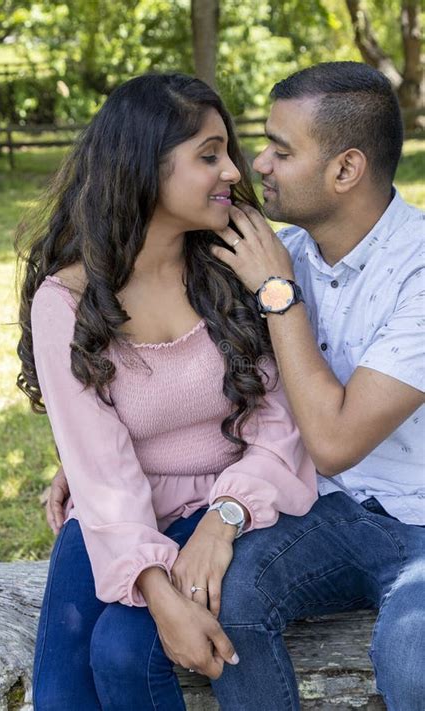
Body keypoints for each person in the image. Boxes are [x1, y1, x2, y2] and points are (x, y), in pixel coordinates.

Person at [16, 72, 317, 710]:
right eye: (209, 155)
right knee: (63, 695)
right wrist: (157, 590)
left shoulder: (238, 266)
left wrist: (222, 517)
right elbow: (101, 472)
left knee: (123, 652)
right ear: (143, 167)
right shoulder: (66, 303)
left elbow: (279, 425)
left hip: (237, 507)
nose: (234, 171)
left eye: (227, 151)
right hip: (118, 513)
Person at [205, 62, 424, 710]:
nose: (257, 167)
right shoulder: (282, 250)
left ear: (345, 169)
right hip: (319, 509)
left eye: (281, 149)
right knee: (229, 595)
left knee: (413, 655)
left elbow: (334, 439)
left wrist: (279, 297)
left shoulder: (417, 269)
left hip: (420, 517)